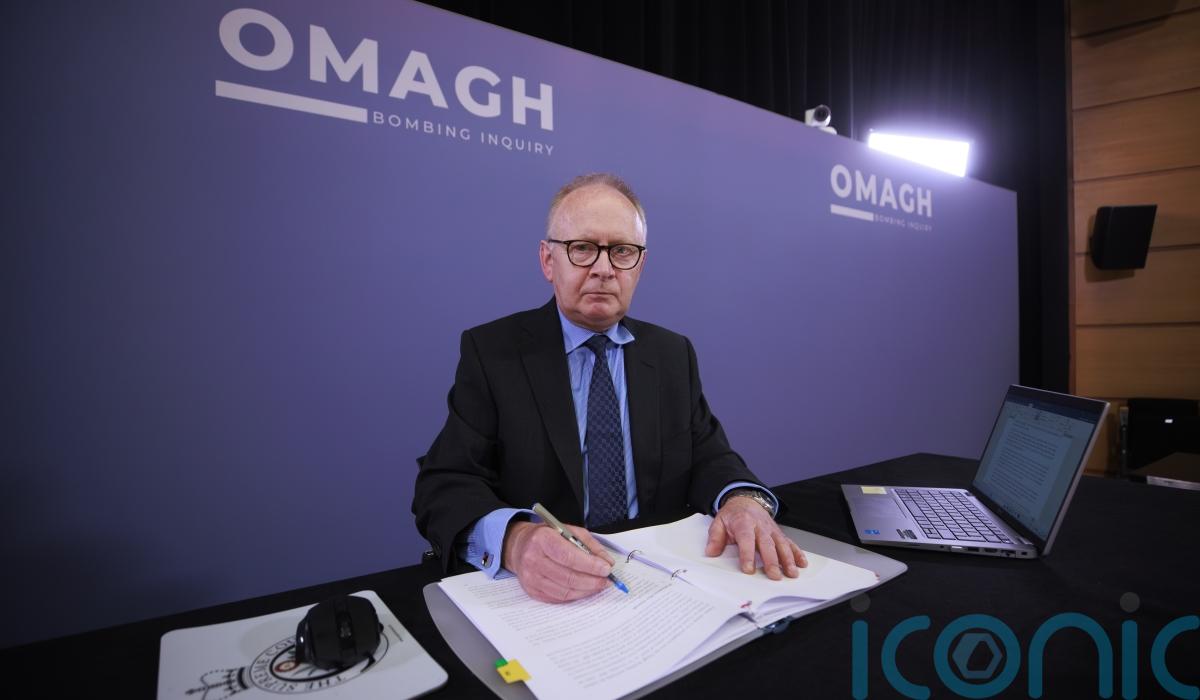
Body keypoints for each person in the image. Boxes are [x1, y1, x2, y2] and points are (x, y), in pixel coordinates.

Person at [413, 173, 806, 603]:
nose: (604, 269)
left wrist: (742, 500)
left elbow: (709, 456)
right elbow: (445, 483)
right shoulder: (493, 352)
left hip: (659, 584)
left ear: (640, 265)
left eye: (621, 251)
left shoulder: (672, 353)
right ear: (548, 261)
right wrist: (516, 541)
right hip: (544, 595)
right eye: (582, 248)